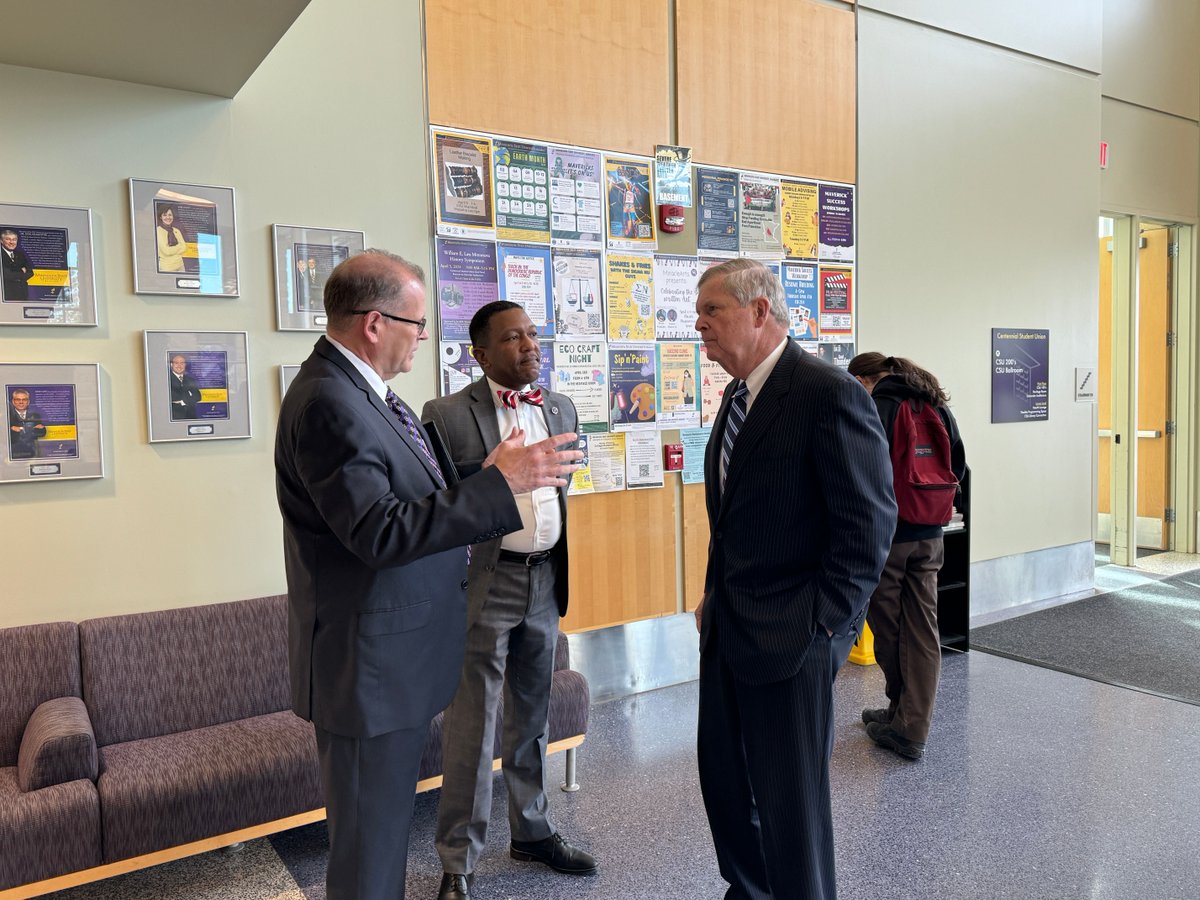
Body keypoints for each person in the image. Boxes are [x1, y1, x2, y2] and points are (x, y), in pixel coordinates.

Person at [274, 250, 581, 900]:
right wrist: (499, 486)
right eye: (416, 324)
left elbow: (413, 503)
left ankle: (530, 827)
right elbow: (381, 532)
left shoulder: (364, 395)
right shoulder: (332, 404)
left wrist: (480, 477)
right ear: (375, 323)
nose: (422, 338)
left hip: (396, 658)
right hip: (368, 668)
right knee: (368, 858)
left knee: (379, 849)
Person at [692, 258, 895, 900]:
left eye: (711, 311)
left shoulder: (826, 392)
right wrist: (713, 595)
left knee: (791, 805)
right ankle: (750, 891)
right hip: (728, 628)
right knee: (725, 785)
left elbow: (867, 529)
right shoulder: (736, 394)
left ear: (759, 310)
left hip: (792, 637)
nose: (699, 325)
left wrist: (823, 630)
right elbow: (735, 518)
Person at [422, 301, 594, 900]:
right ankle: (458, 860)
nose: (529, 345)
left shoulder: (561, 407)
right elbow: (438, 502)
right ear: (480, 353)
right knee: (473, 723)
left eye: (533, 334)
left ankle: (532, 830)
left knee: (533, 712)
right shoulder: (445, 415)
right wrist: (490, 474)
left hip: (545, 579)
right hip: (485, 585)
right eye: (513, 337)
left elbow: (561, 488)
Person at [846, 352, 966, 761]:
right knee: (923, 629)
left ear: (864, 379)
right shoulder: (933, 402)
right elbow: (959, 464)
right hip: (932, 534)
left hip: (890, 537)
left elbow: (860, 471)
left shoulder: (876, 405)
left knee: (891, 629)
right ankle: (903, 716)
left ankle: (908, 726)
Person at [8, 389, 46, 460]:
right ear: (13, 401)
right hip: (13, 453)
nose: (21, 402)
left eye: (24, 400)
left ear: (28, 402)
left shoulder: (35, 416)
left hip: (32, 451)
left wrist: (40, 429)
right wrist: (10, 429)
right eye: (18, 399)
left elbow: (42, 433)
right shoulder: (7, 417)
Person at [0, 229, 35, 301]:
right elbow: (6, 275)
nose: (11, 242)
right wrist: (21, 271)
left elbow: (30, 273)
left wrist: (14, 273)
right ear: (1, 241)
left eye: (14, 239)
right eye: (8, 239)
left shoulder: (20, 255)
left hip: (22, 295)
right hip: (6, 296)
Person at [168, 355, 202, 420]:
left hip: (191, 415)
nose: (179, 366)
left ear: (185, 365)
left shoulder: (190, 380)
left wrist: (181, 402)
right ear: (171, 364)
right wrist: (189, 398)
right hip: (174, 417)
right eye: (176, 363)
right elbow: (172, 397)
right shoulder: (167, 379)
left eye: (182, 363)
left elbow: (198, 397)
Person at [156, 206, 188, 273]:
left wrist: (173, 249)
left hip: (180, 265)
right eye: (165, 215)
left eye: (170, 215)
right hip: (166, 267)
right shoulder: (158, 231)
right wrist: (179, 247)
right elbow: (166, 251)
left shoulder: (176, 230)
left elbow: (184, 247)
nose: (168, 217)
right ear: (160, 217)